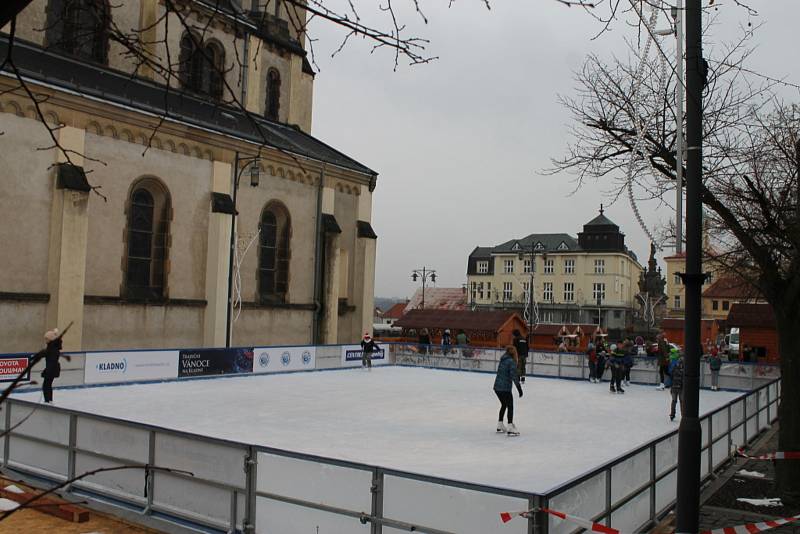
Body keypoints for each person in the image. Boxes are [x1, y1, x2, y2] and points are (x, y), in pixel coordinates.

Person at [493, 345, 523, 436]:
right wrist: (519, 388)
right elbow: (514, 376)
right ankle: (510, 426)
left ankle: (500, 424)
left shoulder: (503, 360)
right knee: (510, 405)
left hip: (497, 388)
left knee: (504, 404)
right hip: (505, 388)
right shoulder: (511, 362)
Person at [38, 328, 69, 403]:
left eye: (46, 339)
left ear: (51, 339)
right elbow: (46, 354)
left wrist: (47, 371)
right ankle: (49, 400)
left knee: (46, 385)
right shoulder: (51, 347)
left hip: (52, 369)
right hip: (51, 368)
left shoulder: (53, 348)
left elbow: (51, 360)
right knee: (47, 384)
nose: (45, 340)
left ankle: (48, 401)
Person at [668, 349, 685, 421]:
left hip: (674, 386)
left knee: (674, 401)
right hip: (681, 386)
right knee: (682, 401)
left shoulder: (674, 365)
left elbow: (671, 374)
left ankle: (672, 414)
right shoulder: (685, 367)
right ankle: (683, 414)